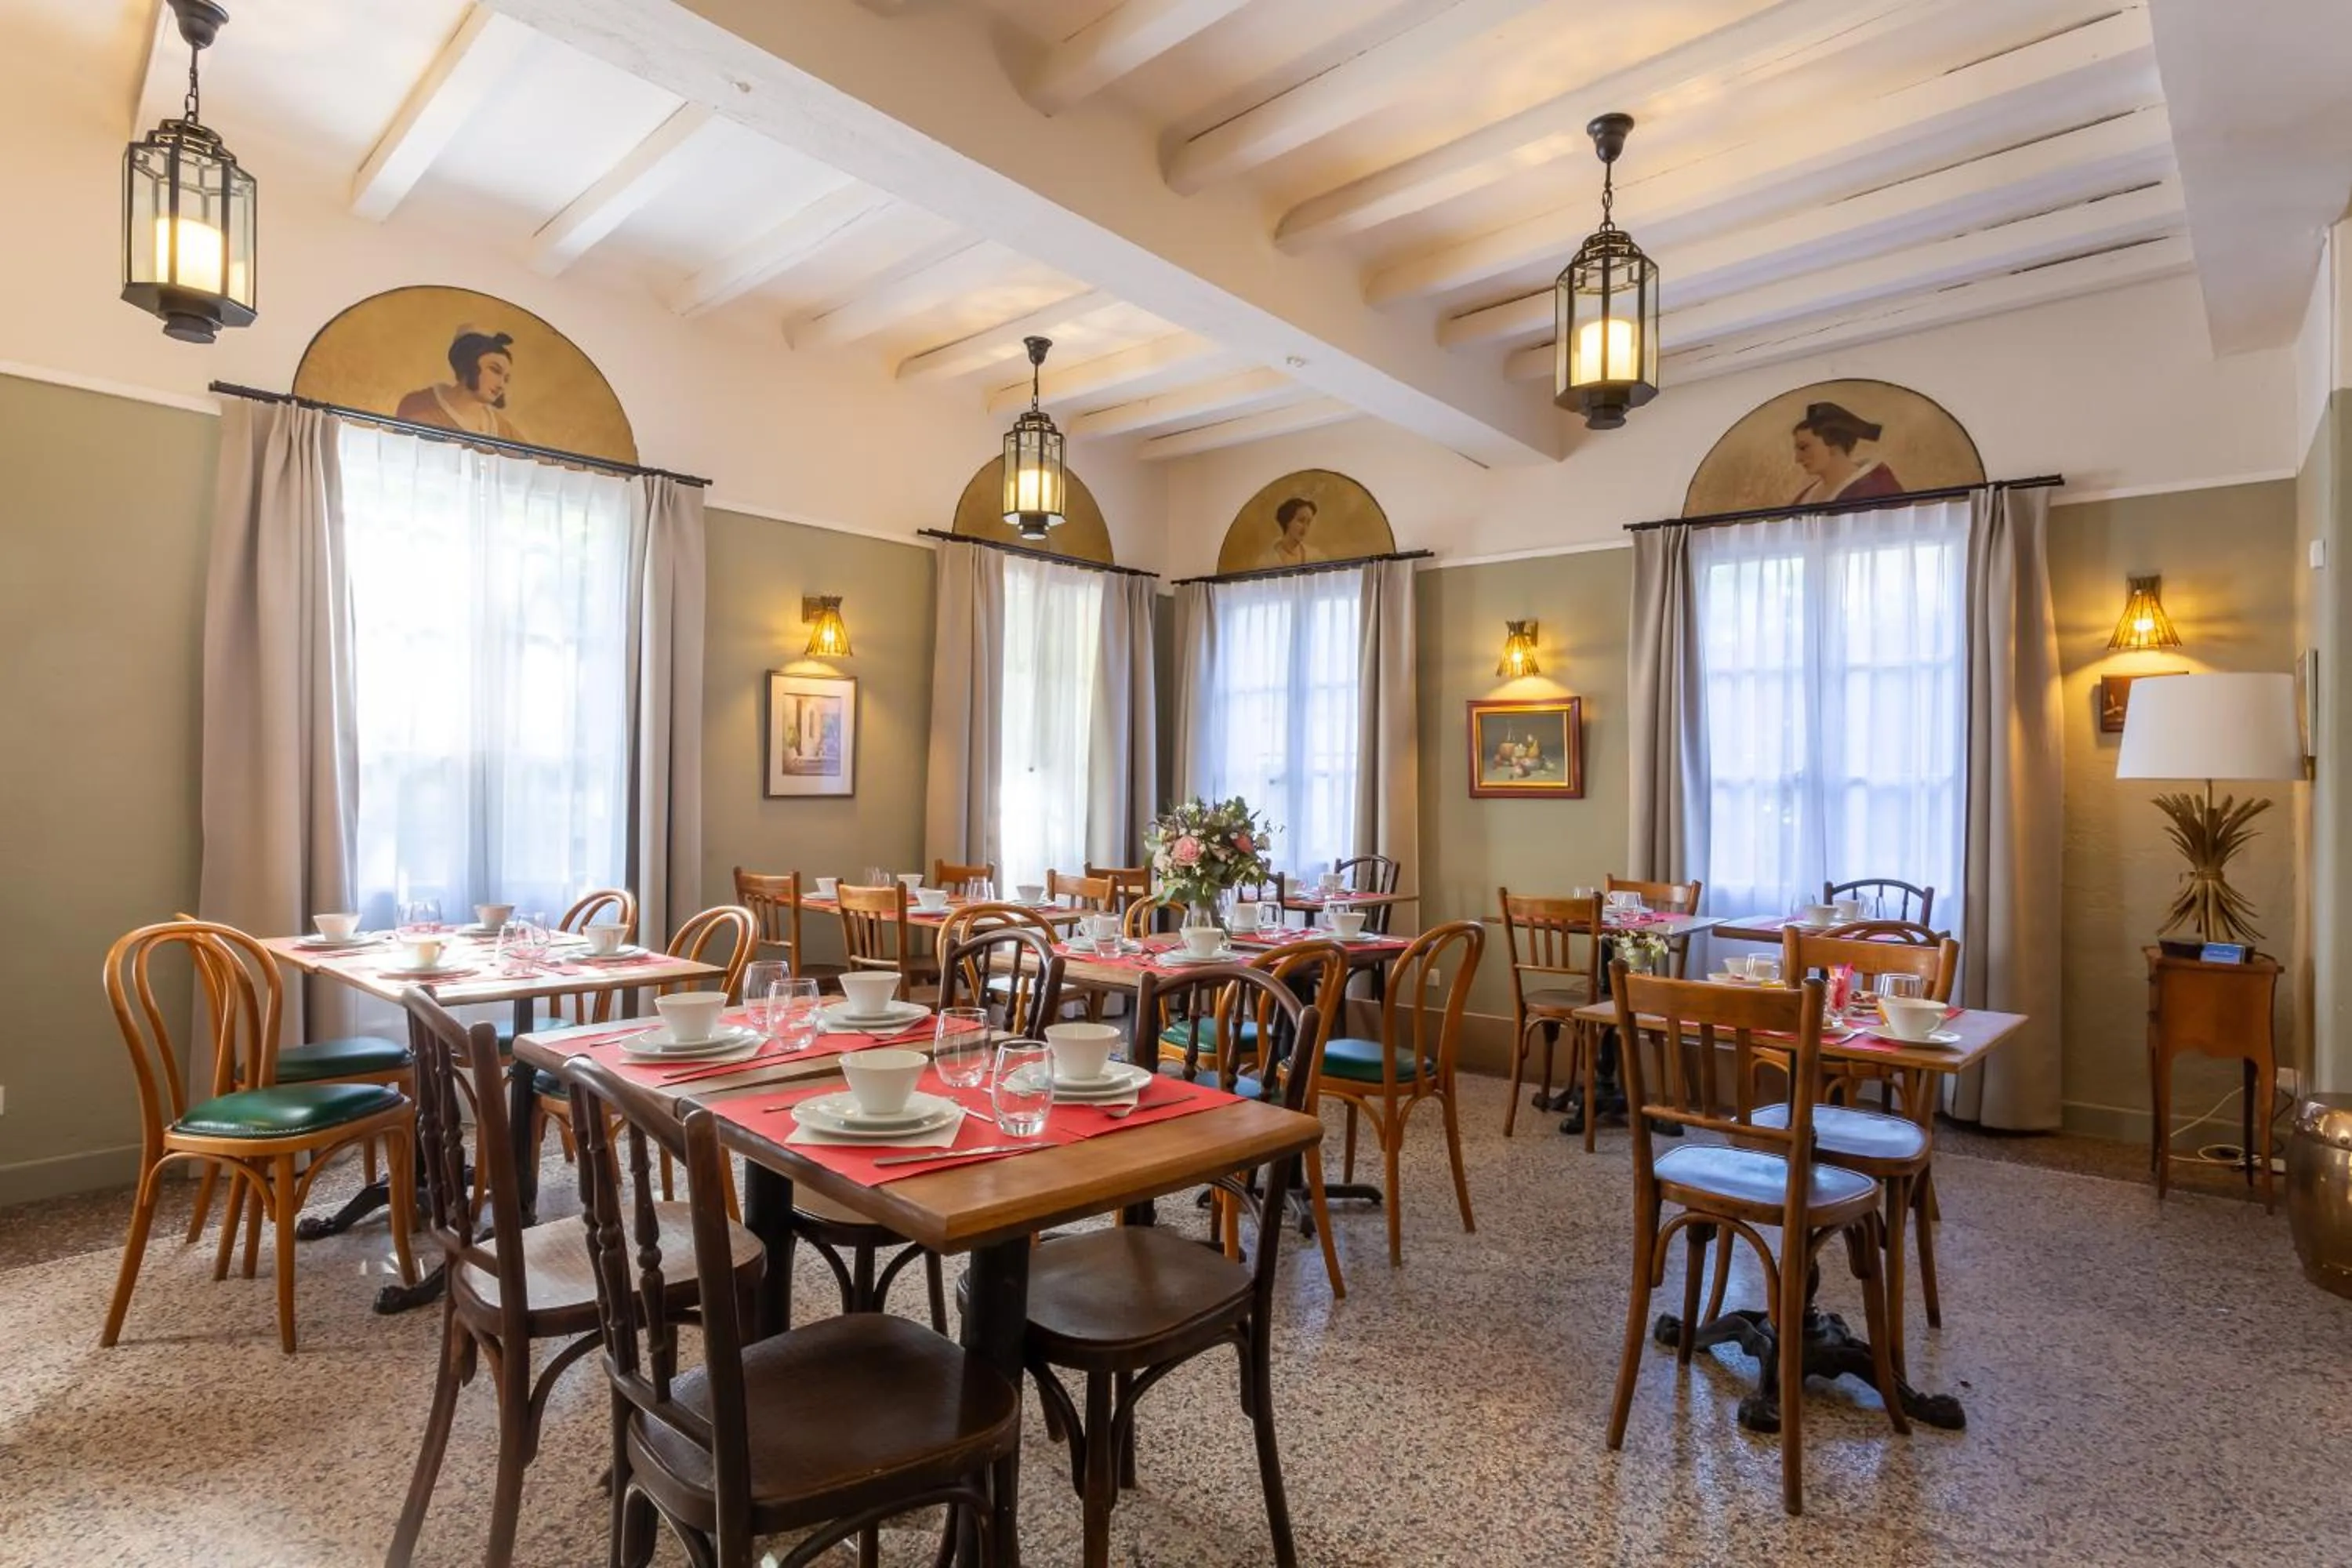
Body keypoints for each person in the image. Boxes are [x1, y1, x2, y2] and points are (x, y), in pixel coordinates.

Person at [395, 328, 527, 441]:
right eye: (495, 370)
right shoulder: (420, 405)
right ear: (469, 364)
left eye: (506, 379)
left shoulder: (501, 427)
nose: (501, 385)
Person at [1788, 401, 1904, 506]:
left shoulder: (1878, 490)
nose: (1798, 459)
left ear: (1834, 445)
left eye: (1804, 448)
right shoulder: (1806, 498)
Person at [1256, 496, 1328, 570]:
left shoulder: (1316, 557)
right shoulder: (1267, 560)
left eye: (1308, 522)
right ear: (1288, 521)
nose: (1305, 528)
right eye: (1301, 521)